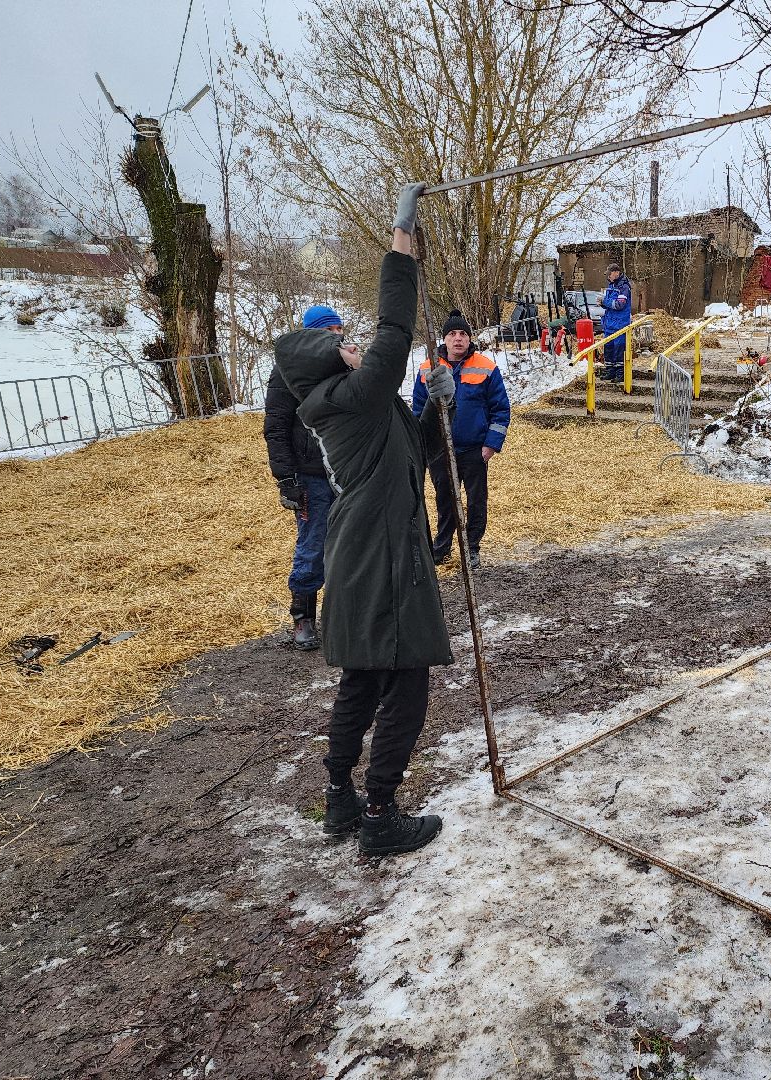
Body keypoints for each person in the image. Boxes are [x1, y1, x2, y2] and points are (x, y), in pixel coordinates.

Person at [272, 182, 453, 858]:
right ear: (324, 361)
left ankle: (342, 801)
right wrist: (400, 244)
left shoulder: (360, 403)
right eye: (339, 342)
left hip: (367, 551)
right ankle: (380, 812)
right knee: (405, 681)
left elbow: (411, 459)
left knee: (363, 679)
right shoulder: (347, 396)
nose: (351, 344)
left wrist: (436, 410)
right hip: (379, 558)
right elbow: (397, 331)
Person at [263, 305, 343, 650]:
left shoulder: (343, 365)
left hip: (344, 470)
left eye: (338, 329)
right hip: (310, 475)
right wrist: (286, 479)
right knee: (313, 544)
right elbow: (276, 428)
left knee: (349, 545)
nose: (335, 336)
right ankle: (303, 618)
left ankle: (343, 612)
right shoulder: (286, 373)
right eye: (328, 331)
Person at [410, 312, 510, 569]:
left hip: (474, 449)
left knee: (476, 500)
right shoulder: (428, 368)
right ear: (444, 339)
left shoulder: (486, 367)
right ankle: (442, 547)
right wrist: (422, 445)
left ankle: (471, 547)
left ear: (469, 339)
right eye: (452, 334)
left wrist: (491, 444)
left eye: (463, 334)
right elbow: (418, 410)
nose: (458, 339)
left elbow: (500, 409)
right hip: (440, 450)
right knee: (445, 499)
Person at [601, 262, 632, 381]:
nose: (608, 276)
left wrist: (605, 302)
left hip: (620, 323)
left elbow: (620, 305)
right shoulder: (611, 286)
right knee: (608, 347)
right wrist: (603, 304)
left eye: (610, 274)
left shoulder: (623, 287)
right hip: (609, 323)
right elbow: (609, 304)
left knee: (619, 349)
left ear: (616, 273)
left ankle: (621, 374)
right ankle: (610, 371)